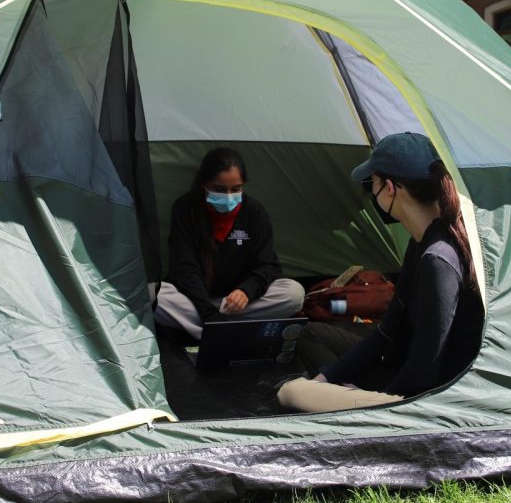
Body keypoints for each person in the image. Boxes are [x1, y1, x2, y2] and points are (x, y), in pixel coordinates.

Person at [277, 132, 482, 412]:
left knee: (290, 393)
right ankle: (338, 395)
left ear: (390, 187)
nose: (370, 193)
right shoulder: (421, 242)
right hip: (397, 368)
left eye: (369, 184)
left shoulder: (438, 261)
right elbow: (386, 332)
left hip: (422, 400)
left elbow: (425, 370)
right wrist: (325, 381)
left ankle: (351, 405)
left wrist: (374, 397)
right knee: (313, 335)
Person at [155, 147, 305, 340]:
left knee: (294, 293)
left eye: (236, 189)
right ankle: (233, 331)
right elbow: (184, 267)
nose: (228, 197)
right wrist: (208, 312)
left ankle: (211, 331)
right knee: (155, 296)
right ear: (204, 184)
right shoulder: (186, 208)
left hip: (237, 303)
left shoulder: (254, 213)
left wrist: (246, 291)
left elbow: (267, 265)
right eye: (219, 189)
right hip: (195, 299)